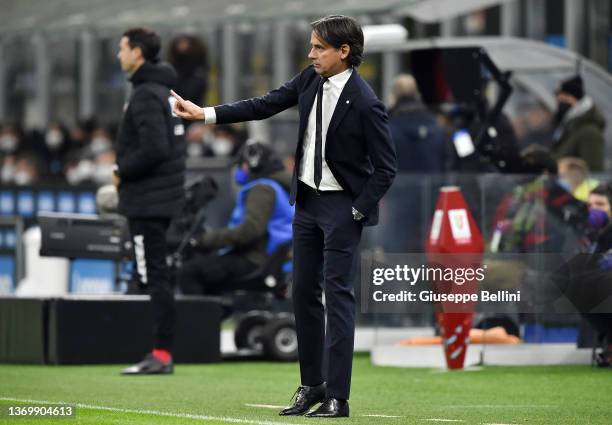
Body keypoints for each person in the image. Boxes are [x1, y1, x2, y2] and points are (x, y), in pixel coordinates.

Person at [172, 15, 396, 418]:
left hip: (342, 208)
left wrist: (357, 210)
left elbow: (386, 169)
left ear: (343, 52)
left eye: (318, 47)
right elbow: (263, 105)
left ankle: (338, 398)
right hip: (306, 204)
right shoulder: (310, 79)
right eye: (310, 46)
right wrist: (204, 114)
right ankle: (312, 386)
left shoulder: (365, 102)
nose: (309, 54)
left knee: (338, 298)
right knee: (302, 295)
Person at [113, 27, 186, 375]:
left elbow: (154, 149)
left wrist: (120, 171)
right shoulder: (164, 91)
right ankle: (159, 351)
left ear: (138, 52)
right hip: (163, 196)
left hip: (148, 200)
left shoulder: (145, 94)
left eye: (122, 48)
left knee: (154, 275)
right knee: (156, 273)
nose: (118, 55)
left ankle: (161, 354)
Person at [178, 141, 293, 295]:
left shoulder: (262, 189)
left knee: (190, 272)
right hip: (267, 257)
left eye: (241, 164)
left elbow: (250, 231)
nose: (238, 170)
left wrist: (205, 240)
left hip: (256, 260)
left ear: (252, 164)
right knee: (207, 267)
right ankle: (215, 315)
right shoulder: (274, 186)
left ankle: (197, 319)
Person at [388, 74, 446, 173]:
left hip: (398, 187)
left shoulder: (386, 128)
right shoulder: (437, 125)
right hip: (431, 187)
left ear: (393, 96)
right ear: (417, 94)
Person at [551, 75, 606, 171]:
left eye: (564, 99)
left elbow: (594, 172)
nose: (559, 103)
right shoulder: (569, 127)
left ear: (574, 99)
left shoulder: (589, 132)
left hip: (576, 185)